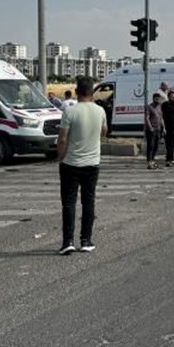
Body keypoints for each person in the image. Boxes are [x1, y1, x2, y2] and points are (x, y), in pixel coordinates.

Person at [56, 77, 107, 256]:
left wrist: (60, 158)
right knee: (88, 202)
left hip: (71, 163)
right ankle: (86, 240)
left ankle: (67, 242)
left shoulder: (70, 112)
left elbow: (62, 139)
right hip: (92, 164)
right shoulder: (100, 111)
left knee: (69, 204)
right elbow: (104, 131)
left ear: (77, 92)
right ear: (92, 93)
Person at [145, 92, 165, 169]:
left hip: (158, 129)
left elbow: (161, 118)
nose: (157, 100)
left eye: (158, 98)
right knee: (151, 146)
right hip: (151, 130)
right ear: (153, 99)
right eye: (156, 98)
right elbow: (147, 118)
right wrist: (150, 127)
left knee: (156, 146)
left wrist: (164, 128)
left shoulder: (159, 106)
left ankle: (153, 160)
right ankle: (149, 162)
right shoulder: (149, 107)